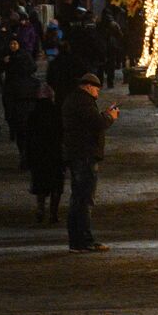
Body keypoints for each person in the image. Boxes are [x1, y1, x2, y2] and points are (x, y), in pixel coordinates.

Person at [61, 73, 118, 252]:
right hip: (85, 155)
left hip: (78, 153)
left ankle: (79, 240)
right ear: (87, 86)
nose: (98, 93)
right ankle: (82, 241)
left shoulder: (76, 100)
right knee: (84, 199)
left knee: (79, 198)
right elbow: (96, 123)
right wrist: (110, 117)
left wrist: (104, 114)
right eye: (96, 89)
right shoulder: (83, 102)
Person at [27, 84, 66, 223]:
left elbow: (28, 134)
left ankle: (41, 209)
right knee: (56, 184)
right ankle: (53, 213)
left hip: (39, 153)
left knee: (40, 183)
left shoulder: (33, 113)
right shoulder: (57, 112)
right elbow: (63, 132)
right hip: (55, 152)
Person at [1, 38, 40, 168]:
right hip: (27, 112)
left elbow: (7, 100)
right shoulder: (33, 83)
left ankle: (25, 157)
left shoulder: (12, 82)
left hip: (20, 112)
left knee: (22, 137)